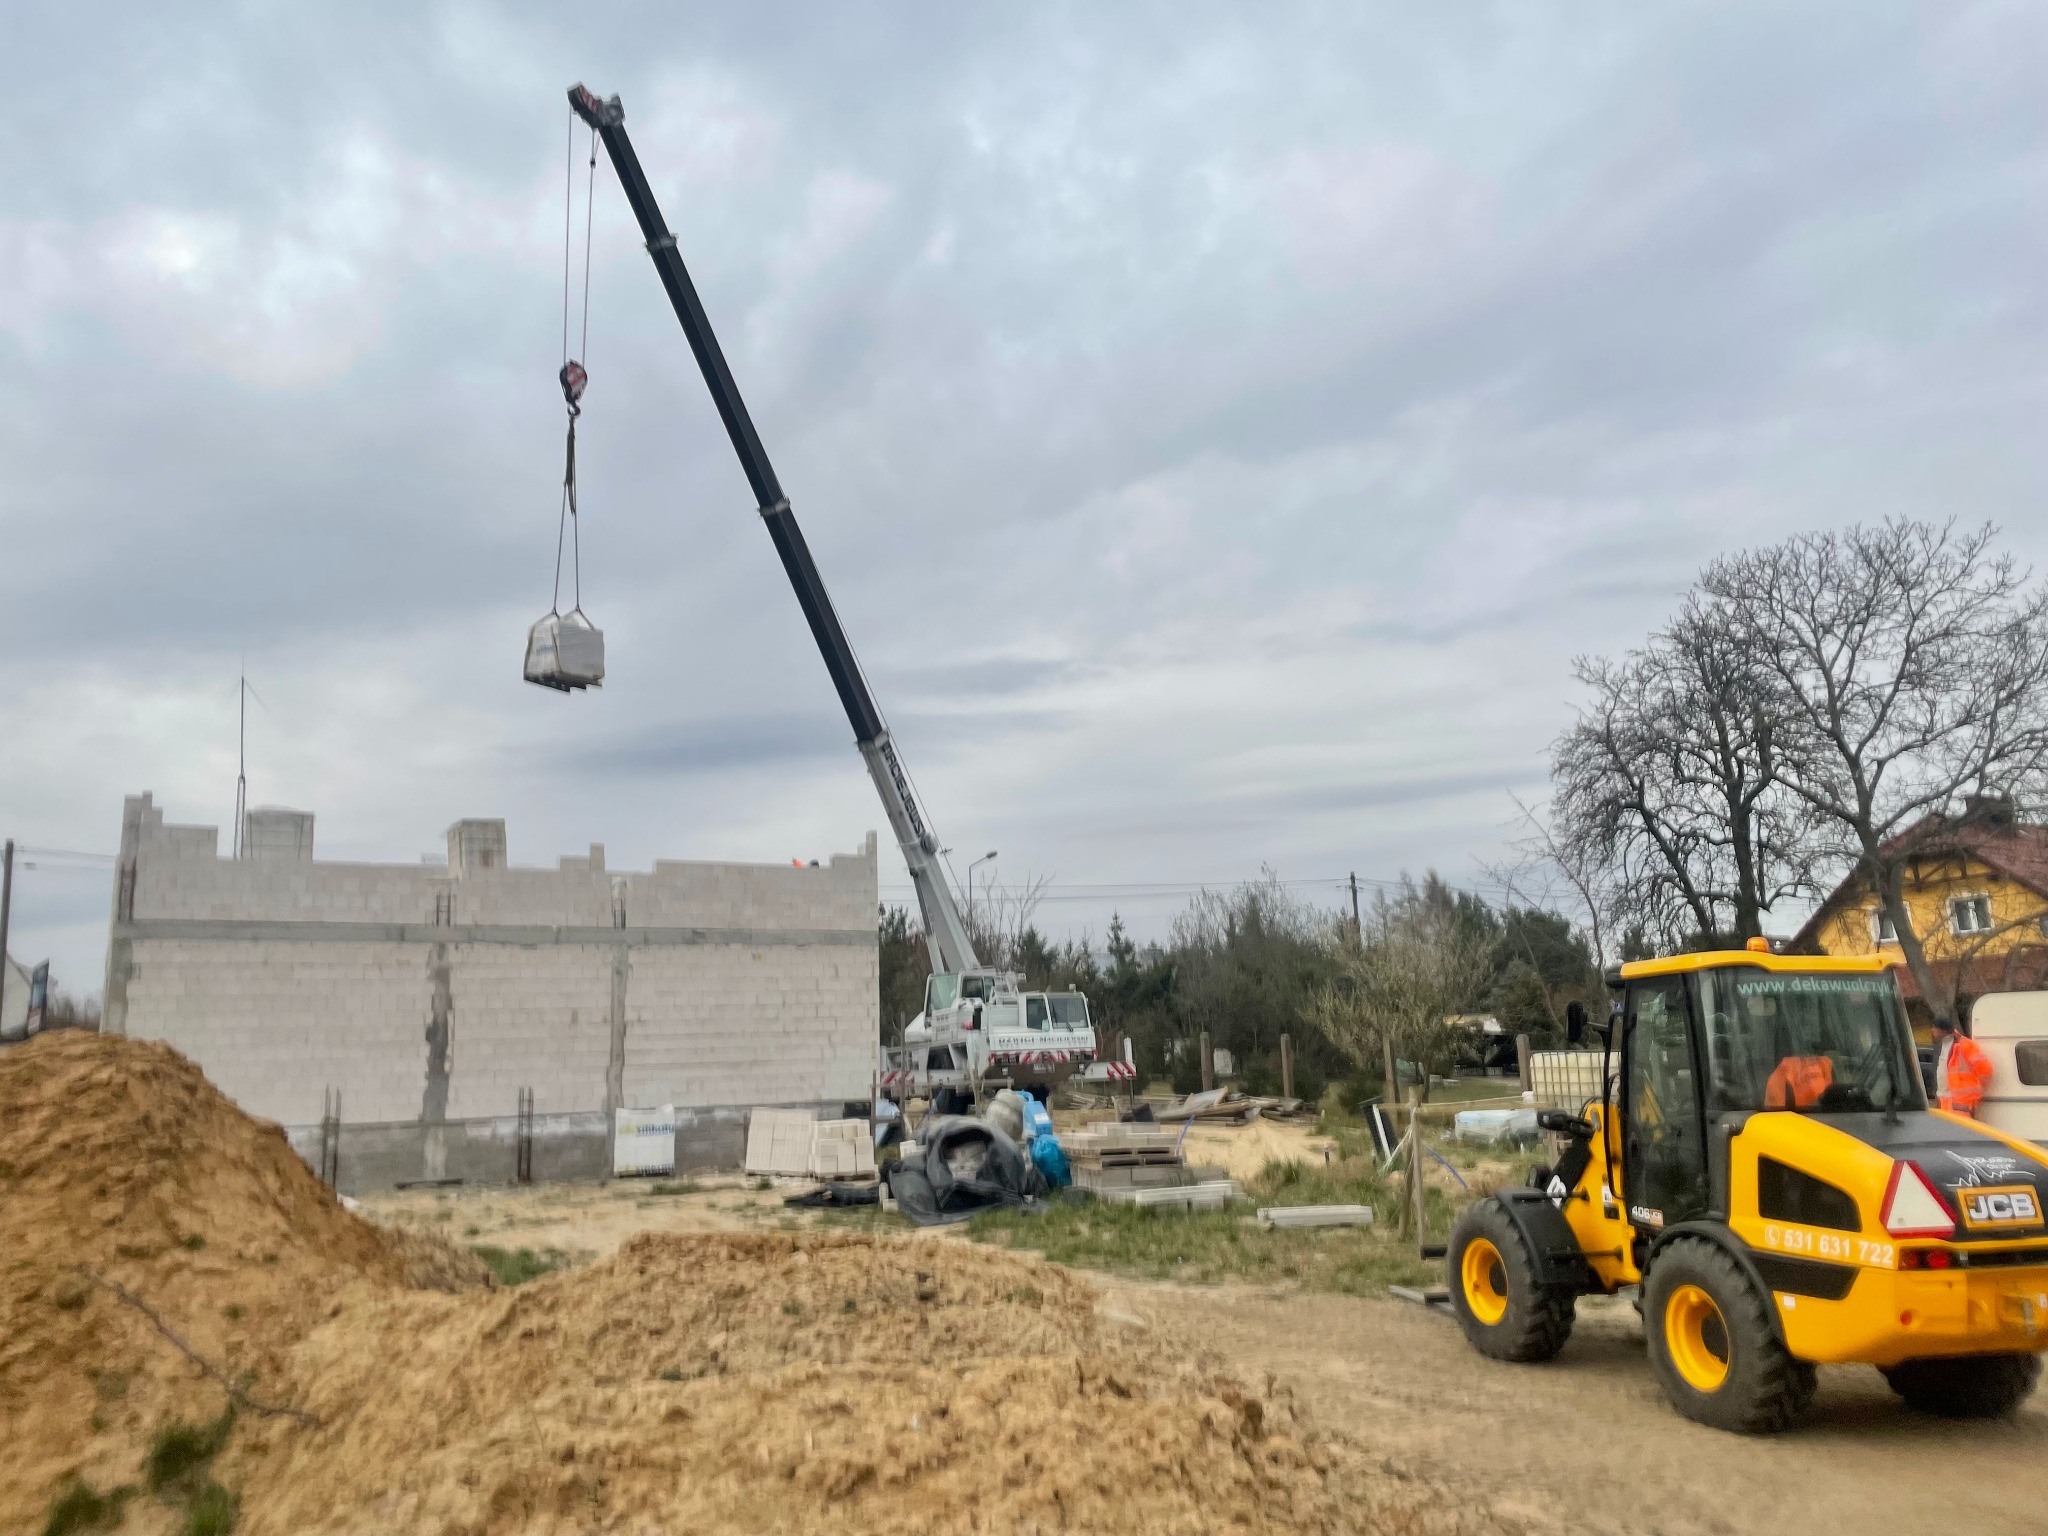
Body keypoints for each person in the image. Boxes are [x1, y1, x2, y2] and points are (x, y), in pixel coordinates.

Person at [1932, 1016, 1993, 1117]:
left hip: (1961, 1103)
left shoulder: (1965, 1045)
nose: (1932, 1030)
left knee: (1960, 1131)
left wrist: (1976, 1089)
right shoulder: (1943, 1046)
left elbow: (1986, 1070)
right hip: (1945, 1101)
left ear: (1944, 1030)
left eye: (1935, 1027)